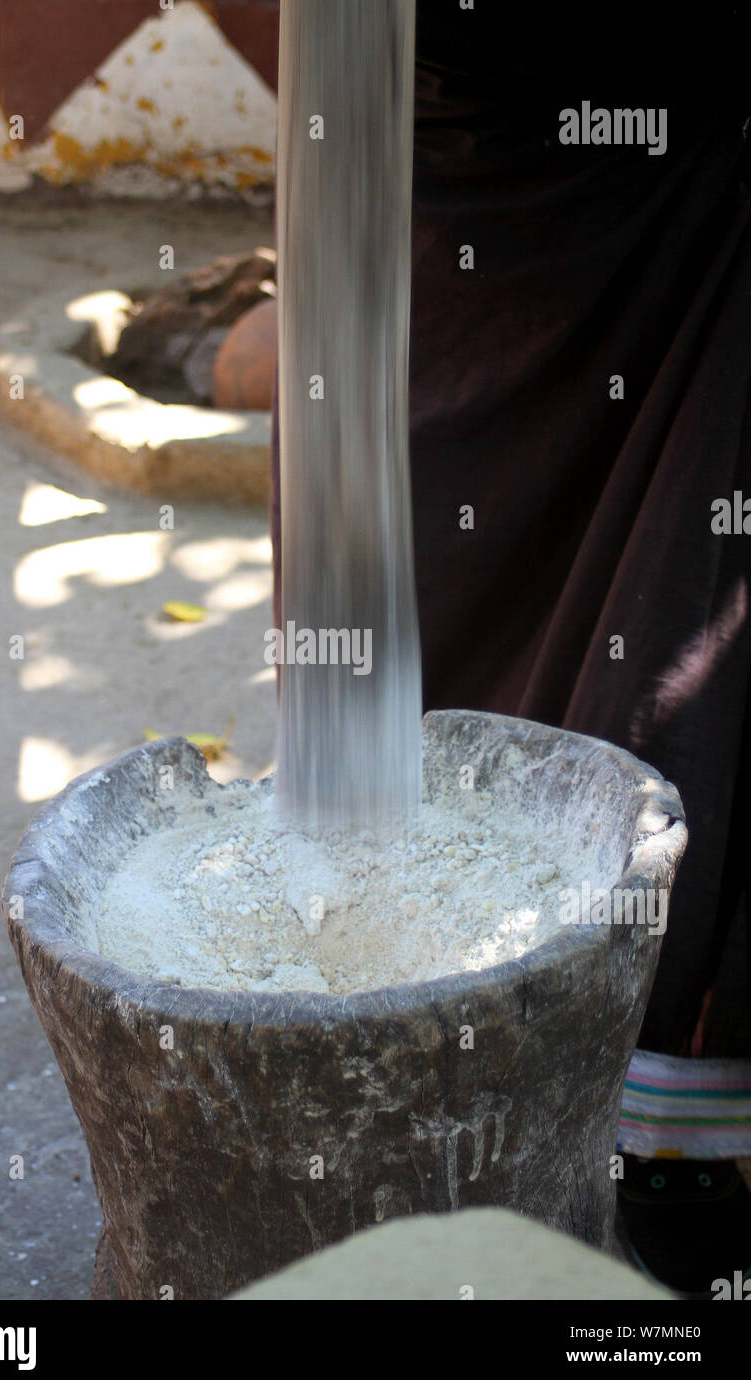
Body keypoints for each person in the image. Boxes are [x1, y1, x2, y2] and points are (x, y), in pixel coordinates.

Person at [271, 3, 751, 1295]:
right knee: (478, 605)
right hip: (461, 144)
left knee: (651, 634)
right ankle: (455, 1053)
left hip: (492, 147)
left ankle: (571, 1110)